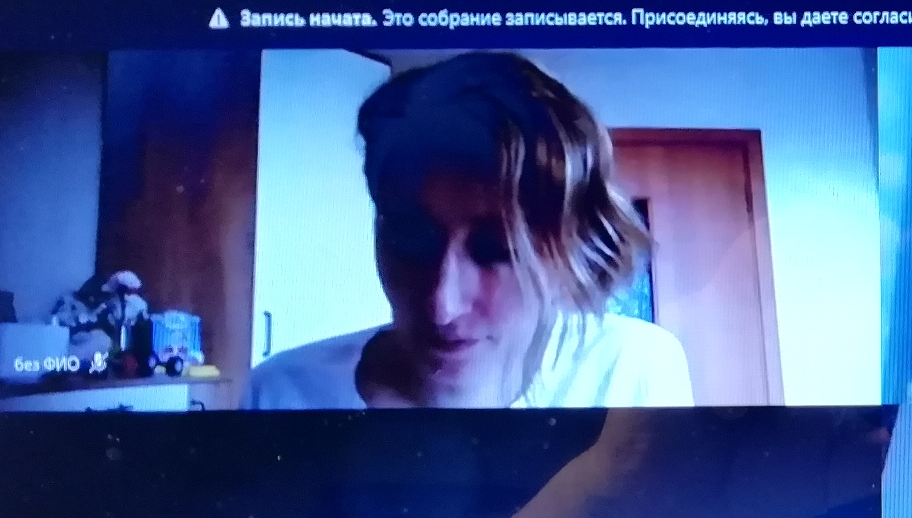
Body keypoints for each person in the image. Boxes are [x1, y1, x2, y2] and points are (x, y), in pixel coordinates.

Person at [246, 53, 692, 409]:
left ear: (569, 246)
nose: (442, 306)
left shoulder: (632, 371)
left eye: (497, 249)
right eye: (411, 237)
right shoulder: (283, 394)